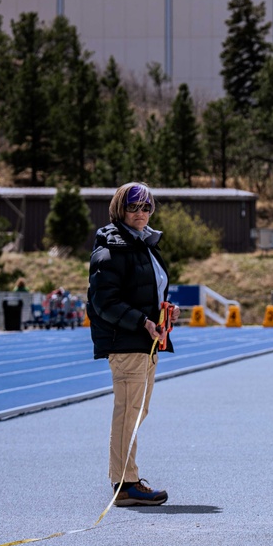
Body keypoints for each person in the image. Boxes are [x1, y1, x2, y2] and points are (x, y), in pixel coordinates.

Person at [87, 182, 179, 507]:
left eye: (146, 207)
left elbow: (148, 290)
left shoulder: (143, 244)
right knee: (128, 412)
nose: (141, 213)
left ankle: (127, 480)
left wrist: (165, 310)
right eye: (133, 207)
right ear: (119, 210)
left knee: (138, 412)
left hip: (147, 343)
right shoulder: (111, 249)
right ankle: (125, 484)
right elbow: (103, 301)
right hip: (128, 343)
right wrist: (141, 322)